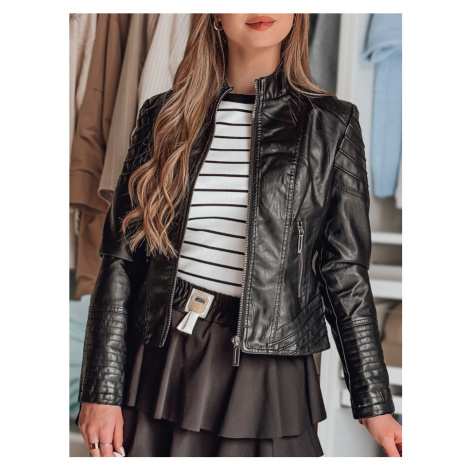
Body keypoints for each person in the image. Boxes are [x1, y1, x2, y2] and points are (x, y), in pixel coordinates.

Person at [75, 13, 403, 457]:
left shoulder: (332, 124)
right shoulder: (162, 115)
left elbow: (343, 272)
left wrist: (375, 401)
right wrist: (101, 388)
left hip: (269, 370)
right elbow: (121, 260)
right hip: (161, 355)